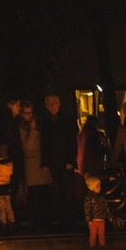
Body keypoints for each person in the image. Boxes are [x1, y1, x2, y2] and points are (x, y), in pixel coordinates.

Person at [12, 100, 54, 231]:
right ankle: (35, 222)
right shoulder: (22, 127)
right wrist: (32, 130)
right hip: (31, 164)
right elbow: (27, 146)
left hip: (42, 163)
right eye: (26, 113)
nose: (29, 116)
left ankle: (45, 220)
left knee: (44, 193)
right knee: (34, 194)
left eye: (30, 113)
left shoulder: (39, 124)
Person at [41, 94, 78, 226]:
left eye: (54, 103)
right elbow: (44, 144)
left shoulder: (67, 120)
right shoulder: (45, 122)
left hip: (65, 160)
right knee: (57, 190)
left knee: (68, 190)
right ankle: (63, 219)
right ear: (46, 106)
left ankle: (71, 219)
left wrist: (71, 160)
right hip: (53, 161)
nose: (52, 107)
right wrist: (45, 163)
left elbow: (72, 142)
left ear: (59, 104)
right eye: (50, 104)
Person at [83, 174, 108, 248]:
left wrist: (109, 216)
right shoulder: (89, 197)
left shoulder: (101, 197)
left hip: (101, 219)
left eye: (100, 186)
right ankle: (92, 248)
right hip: (93, 220)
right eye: (97, 186)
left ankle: (102, 248)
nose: (99, 188)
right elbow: (87, 209)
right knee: (93, 235)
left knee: (101, 235)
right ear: (92, 187)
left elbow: (105, 206)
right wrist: (89, 220)